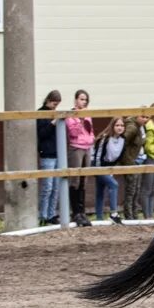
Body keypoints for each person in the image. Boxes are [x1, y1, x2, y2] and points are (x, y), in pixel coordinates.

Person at [65, 89, 94, 227]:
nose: (83, 102)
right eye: (81, 99)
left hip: (87, 147)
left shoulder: (88, 114)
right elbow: (73, 132)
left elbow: (90, 130)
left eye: (85, 100)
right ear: (76, 100)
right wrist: (80, 120)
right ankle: (75, 212)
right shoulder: (71, 115)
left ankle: (82, 212)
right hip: (76, 147)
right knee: (75, 180)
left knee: (84, 180)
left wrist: (91, 140)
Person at [91, 117, 127, 223]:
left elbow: (118, 156)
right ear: (112, 126)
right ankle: (114, 213)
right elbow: (98, 155)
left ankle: (99, 217)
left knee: (100, 191)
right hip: (99, 166)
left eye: (122, 125)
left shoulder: (123, 140)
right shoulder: (105, 138)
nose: (120, 128)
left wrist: (111, 170)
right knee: (114, 185)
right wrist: (98, 170)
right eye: (117, 125)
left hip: (110, 167)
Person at [36, 90, 62, 226]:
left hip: (57, 154)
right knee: (47, 187)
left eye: (56, 105)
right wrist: (52, 123)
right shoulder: (40, 113)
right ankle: (43, 215)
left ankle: (51, 214)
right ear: (48, 100)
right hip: (47, 154)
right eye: (53, 103)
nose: (54, 106)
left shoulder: (54, 113)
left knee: (56, 187)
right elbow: (42, 134)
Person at [120, 112, 149, 220]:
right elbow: (123, 141)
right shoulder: (132, 127)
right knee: (131, 190)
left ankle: (134, 214)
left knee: (136, 189)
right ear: (137, 116)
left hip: (138, 160)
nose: (145, 119)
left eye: (147, 117)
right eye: (143, 117)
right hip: (130, 160)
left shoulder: (141, 127)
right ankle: (129, 215)